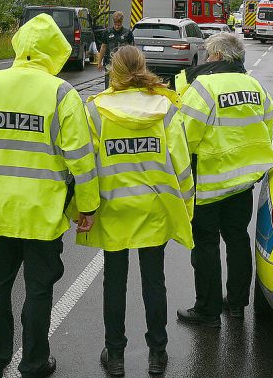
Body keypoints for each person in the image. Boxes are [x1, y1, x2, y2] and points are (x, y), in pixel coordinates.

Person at [0, 13, 100, 378]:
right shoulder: (61, 93)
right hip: (41, 214)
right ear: (55, 50)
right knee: (38, 292)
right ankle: (34, 363)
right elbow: (81, 160)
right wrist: (87, 206)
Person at [79, 46, 194, 377]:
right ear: (144, 68)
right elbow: (181, 164)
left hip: (114, 207)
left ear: (113, 71)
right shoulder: (166, 108)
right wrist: (185, 205)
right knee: (154, 281)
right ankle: (158, 352)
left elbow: (86, 164)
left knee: (114, 281)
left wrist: (82, 209)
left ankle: (115, 355)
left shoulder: (96, 110)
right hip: (153, 207)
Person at [173, 33, 273, 327]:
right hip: (243, 183)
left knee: (205, 244)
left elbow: (185, 138)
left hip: (209, 182)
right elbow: (266, 127)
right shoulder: (254, 85)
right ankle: (237, 304)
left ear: (218, 56)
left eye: (207, 54)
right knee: (237, 239)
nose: (204, 59)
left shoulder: (204, 87)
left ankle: (206, 311)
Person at [97, 12, 134, 87]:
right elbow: (103, 47)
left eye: (119, 24)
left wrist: (132, 64)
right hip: (109, 63)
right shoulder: (107, 32)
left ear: (122, 22)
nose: (117, 26)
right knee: (108, 85)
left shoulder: (128, 33)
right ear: (113, 22)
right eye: (115, 24)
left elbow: (132, 49)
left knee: (121, 84)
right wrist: (99, 62)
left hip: (123, 64)